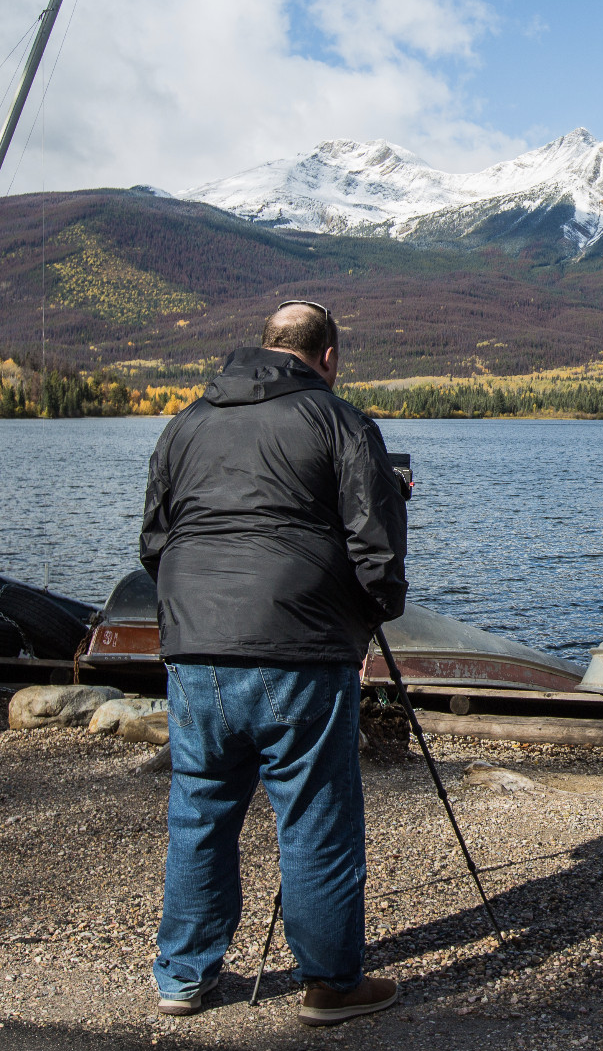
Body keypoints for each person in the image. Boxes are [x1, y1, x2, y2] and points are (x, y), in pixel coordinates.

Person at [139, 299, 408, 1024]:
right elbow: (377, 552)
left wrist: (186, 620)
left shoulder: (185, 423)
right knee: (316, 815)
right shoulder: (341, 421)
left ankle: (184, 977)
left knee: (199, 807)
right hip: (300, 648)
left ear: (264, 346)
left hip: (195, 648)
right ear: (328, 356)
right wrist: (363, 622)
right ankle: (331, 983)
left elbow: (155, 541)